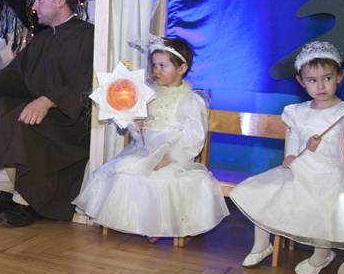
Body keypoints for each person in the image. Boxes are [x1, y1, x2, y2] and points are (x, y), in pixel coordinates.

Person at [231, 41, 344, 274]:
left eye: (327, 78)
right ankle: (262, 244)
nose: (320, 86)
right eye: (312, 80)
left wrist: (321, 148)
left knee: (323, 202)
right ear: (301, 81)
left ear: (339, 77)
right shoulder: (298, 111)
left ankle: (321, 254)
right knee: (265, 191)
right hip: (303, 169)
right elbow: (296, 137)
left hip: (335, 174)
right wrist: (291, 155)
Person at [0, 0, 94, 227]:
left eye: (40, 0)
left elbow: (85, 80)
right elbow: (18, 72)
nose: (34, 7)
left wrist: (47, 101)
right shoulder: (43, 38)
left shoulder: (89, 36)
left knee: (25, 123)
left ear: (60, 1)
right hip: (40, 110)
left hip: (69, 120)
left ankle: (27, 203)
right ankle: (3, 194)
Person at [73, 36, 228, 240]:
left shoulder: (191, 100)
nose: (156, 71)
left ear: (182, 68)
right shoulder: (148, 95)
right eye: (154, 65)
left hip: (172, 153)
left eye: (163, 66)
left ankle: (159, 226)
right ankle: (137, 222)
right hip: (145, 150)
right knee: (125, 168)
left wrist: (170, 157)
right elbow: (143, 135)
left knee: (162, 178)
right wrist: (137, 126)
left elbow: (194, 137)